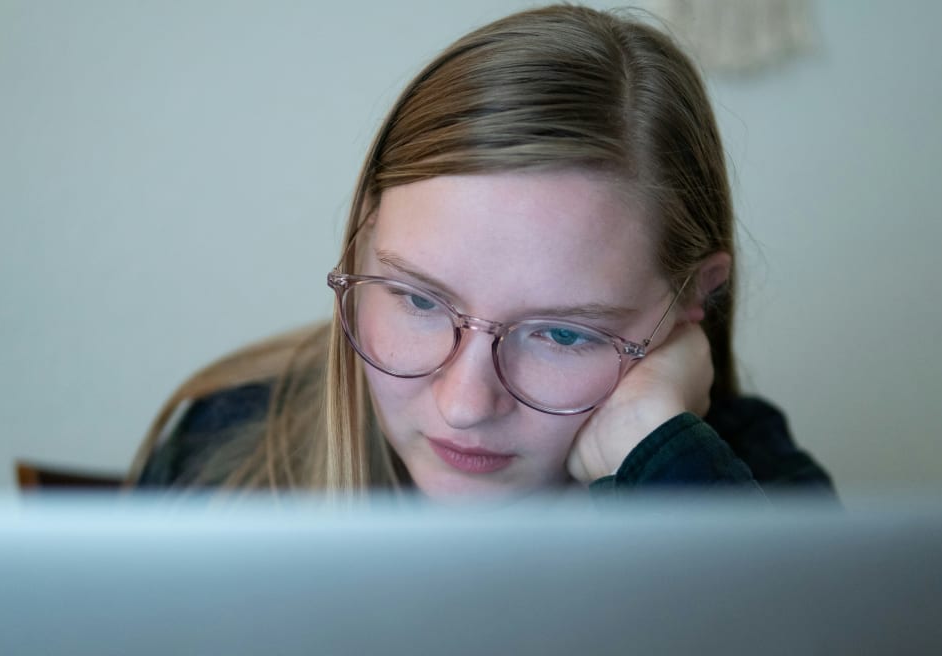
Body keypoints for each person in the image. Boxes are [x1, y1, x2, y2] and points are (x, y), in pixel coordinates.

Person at [128, 4, 833, 501]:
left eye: (562, 333)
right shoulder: (229, 452)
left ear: (694, 299)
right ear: (365, 239)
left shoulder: (736, 492)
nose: (466, 404)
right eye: (420, 300)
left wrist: (652, 449)